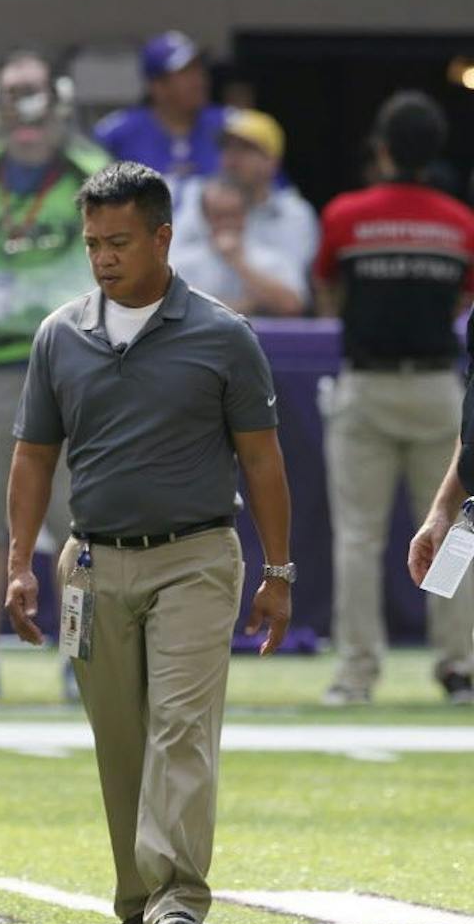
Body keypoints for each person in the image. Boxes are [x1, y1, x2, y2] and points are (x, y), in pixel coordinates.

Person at [6, 162, 292, 924]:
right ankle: (137, 909)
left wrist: (280, 573)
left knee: (179, 729)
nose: (103, 257)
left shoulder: (223, 334)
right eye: (94, 243)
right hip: (91, 565)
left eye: (120, 242)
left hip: (198, 558)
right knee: (120, 740)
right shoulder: (59, 333)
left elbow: (264, 461)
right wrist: (20, 566)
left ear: (164, 237)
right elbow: (32, 457)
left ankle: (177, 906)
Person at [0, 48, 108, 699]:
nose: (26, 109)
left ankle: (74, 655)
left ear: (58, 99)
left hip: (75, 363)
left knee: (79, 518)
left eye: (35, 93)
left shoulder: (92, 170)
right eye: (13, 94)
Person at [315, 91, 474, 706]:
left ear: (381, 149)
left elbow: (326, 288)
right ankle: (459, 668)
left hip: (367, 385)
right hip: (439, 387)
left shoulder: (346, 215)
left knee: (358, 536)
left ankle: (355, 676)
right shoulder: (460, 223)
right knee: (456, 529)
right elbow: (467, 300)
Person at [170, 109, 318, 316]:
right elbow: (170, 271)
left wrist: (239, 262)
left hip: (276, 334)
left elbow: (291, 297)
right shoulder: (198, 199)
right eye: (227, 148)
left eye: (245, 149)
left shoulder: (295, 214)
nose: (232, 158)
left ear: (272, 161)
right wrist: (243, 306)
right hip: (202, 330)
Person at [93, 31, 228, 196]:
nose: (199, 79)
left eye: (198, 69)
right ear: (157, 86)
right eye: (185, 72)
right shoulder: (117, 133)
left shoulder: (231, 125)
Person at [169, 178, 308, 316]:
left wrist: (239, 263)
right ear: (205, 216)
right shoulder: (182, 263)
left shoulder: (271, 259)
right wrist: (247, 305)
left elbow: (292, 306)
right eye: (219, 215)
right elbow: (170, 309)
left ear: (246, 213)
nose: (227, 223)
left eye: (234, 214)